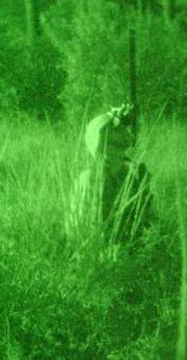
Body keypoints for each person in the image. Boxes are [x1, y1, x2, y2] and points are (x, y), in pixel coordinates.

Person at [66, 103, 153, 255]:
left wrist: (144, 190)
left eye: (118, 145)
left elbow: (147, 221)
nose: (112, 151)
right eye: (107, 144)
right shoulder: (88, 179)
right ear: (96, 147)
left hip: (130, 250)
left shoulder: (131, 177)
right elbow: (83, 229)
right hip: (94, 252)